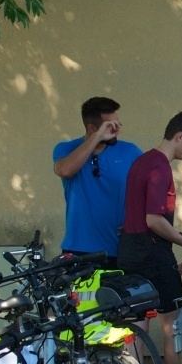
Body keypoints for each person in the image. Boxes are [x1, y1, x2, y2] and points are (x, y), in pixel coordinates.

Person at [120, 112, 182, 364]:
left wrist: (175, 233)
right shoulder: (160, 167)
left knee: (135, 330)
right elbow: (154, 219)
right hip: (154, 256)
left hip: (130, 251)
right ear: (179, 136)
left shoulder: (140, 162)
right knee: (173, 328)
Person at [53, 96, 141, 263]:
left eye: (118, 123)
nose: (117, 129)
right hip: (78, 249)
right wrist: (98, 136)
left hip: (119, 249)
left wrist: (136, 220)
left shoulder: (130, 151)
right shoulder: (66, 148)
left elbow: (150, 189)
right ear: (92, 128)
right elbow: (65, 170)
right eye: (110, 126)